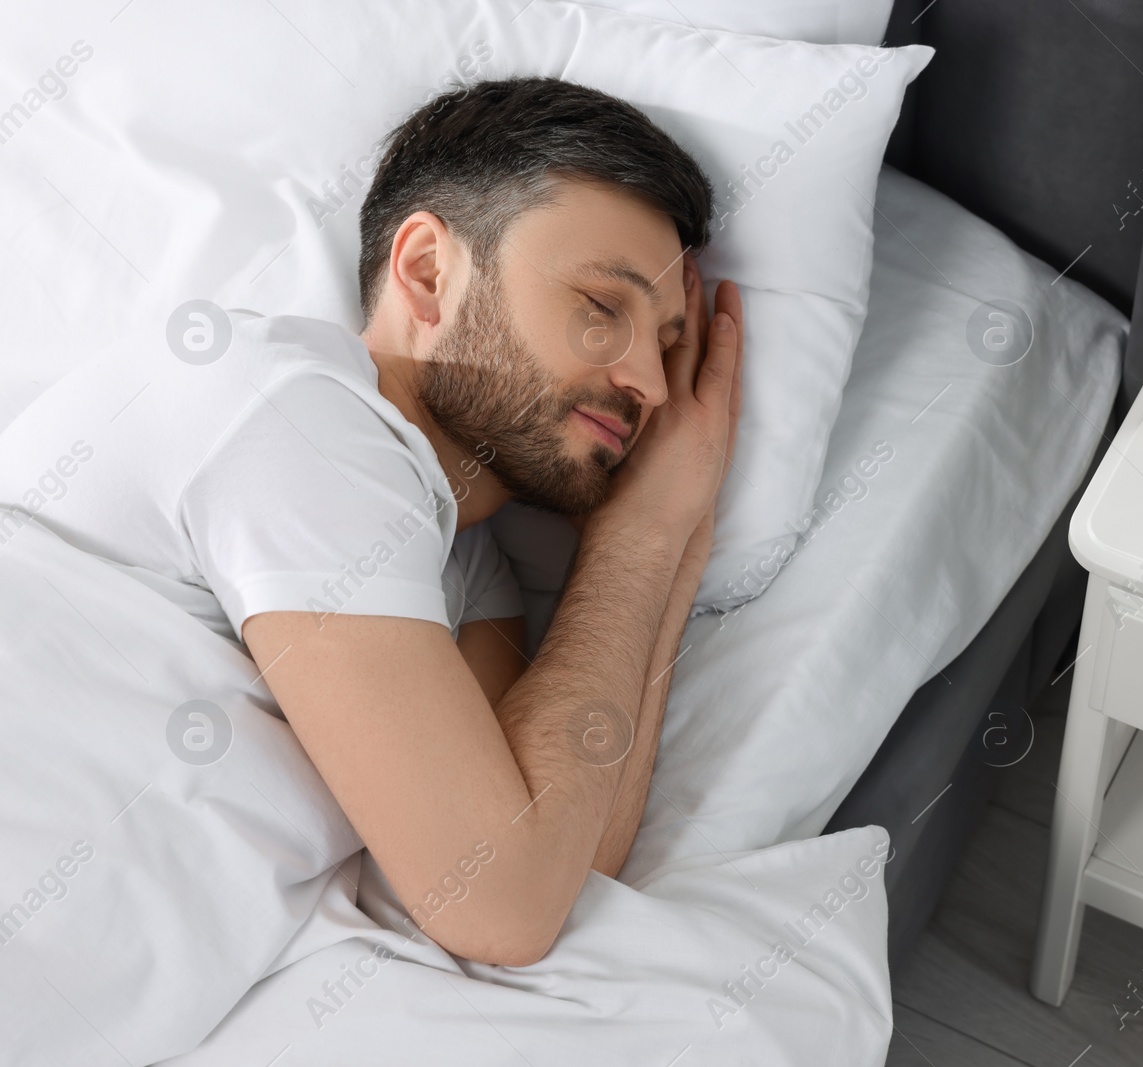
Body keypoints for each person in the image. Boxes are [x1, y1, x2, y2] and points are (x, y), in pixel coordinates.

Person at [0, 76, 742, 967]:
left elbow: (566, 859)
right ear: (429, 274)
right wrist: (640, 536)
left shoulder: (464, 570)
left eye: (668, 345)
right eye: (599, 309)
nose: (652, 387)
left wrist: (673, 536)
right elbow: (502, 904)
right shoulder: (281, 409)